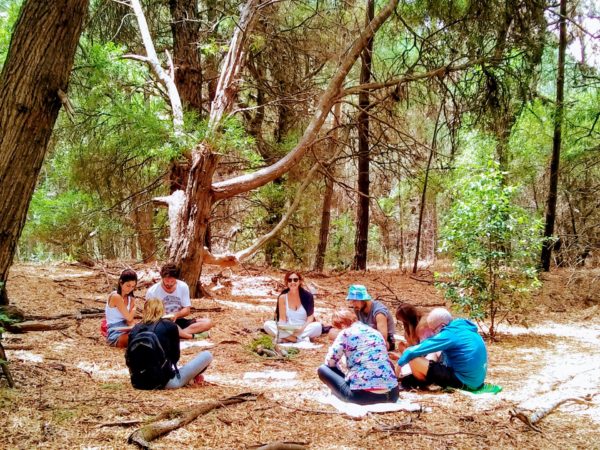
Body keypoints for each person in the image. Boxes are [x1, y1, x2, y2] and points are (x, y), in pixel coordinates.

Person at [317, 309, 399, 405]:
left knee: (323, 369)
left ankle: (351, 386)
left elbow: (330, 362)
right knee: (386, 362)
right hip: (392, 395)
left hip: (362, 396)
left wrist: (342, 364)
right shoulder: (375, 332)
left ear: (342, 325)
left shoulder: (345, 333)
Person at [128, 299, 213, 389]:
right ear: (162, 310)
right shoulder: (169, 325)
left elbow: (129, 358)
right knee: (207, 355)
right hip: (166, 382)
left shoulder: (135, 329)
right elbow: (175, 358)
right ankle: (191, 379)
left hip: (137, 383)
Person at [396, 308, 488, 391]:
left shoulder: (449, 334)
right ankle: (417, 377)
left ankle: (420, 384)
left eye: (434, 330)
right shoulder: (462, 327)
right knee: (434, 353)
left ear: (442, 325)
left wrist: (397, 369)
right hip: (476, 381)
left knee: (413, 358)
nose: (434, 333)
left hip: (464, 382)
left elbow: (411, 352)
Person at [145, 263, 212, 339]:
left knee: (207, 322)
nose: (169, 284)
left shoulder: (183, 286)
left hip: (177, 319)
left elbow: (187, 310)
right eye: (167, 281)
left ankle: (174, 334)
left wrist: (176, 315)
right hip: (160, 322)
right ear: (162, 278)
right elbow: (149, 315)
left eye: (172, 281)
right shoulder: (152, 291)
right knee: (166, 326)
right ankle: (189, 336)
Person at [263, 271, 322, 343]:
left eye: (295, 279)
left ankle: (285, 338)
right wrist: (284, 329)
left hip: (303, 327)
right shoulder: (282, 297)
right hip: (288, 327)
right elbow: (282, 319)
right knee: (267, 325)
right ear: (286, 282)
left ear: (300, 281)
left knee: (318, 326)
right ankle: (297, 339)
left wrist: (301, 329)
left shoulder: (308, 296)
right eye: (289, 280)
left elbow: (310, 318)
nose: (292, 282)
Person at [346, 285, 396, 351]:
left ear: (364, 300)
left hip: (384, 341)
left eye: (355, 301)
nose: (353, 304)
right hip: (366, 337)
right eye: (352, 301)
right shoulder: (358, 308)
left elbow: (383, 338)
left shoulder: (379, 313)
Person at [105, 269, 138, 348]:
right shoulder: (116, 297)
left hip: (127, 328)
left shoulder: (131, 299)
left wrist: (134, 328)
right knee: (135, 339)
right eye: (128, 285)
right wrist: (135, 308)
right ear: (121, 283)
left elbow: (130, 321)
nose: (130, 289)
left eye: (133, 286)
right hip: (115, 331)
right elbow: (129, 317)